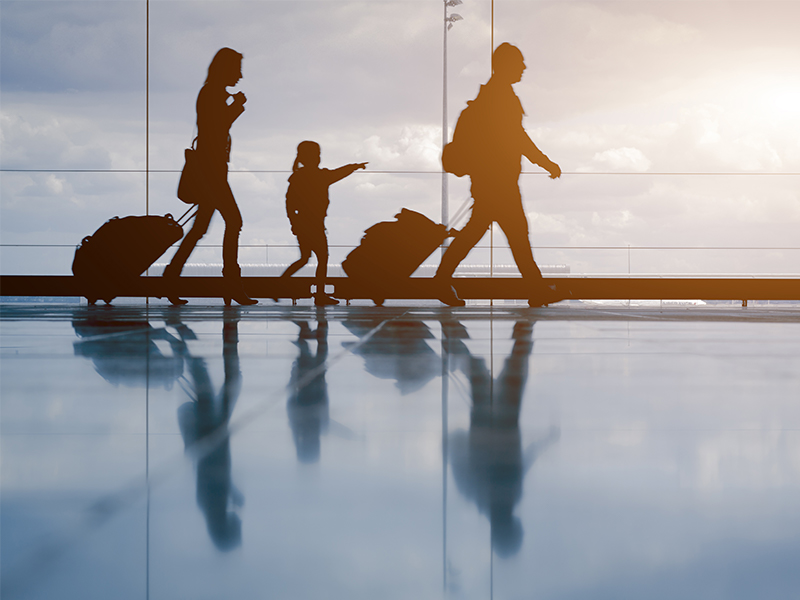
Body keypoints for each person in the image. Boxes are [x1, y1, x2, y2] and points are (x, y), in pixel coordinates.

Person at [436, 43, 562, 308]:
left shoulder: (492, 96)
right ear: (504, 65)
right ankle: (536, 290)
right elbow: (518, 138)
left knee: (484, 233)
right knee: (515, 234)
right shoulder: (501, 97)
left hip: (490, 181)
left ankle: (441, 280)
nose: (524, 67)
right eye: (519, 63)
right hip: (499, 183)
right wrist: (545, 162)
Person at [163, 47, 257, 306]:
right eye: (237, 69)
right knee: (234, 222)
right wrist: (237, 106)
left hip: (212, 171)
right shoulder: (213, 94)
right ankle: (231, 286)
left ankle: (170, 279)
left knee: (199, 229)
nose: (240, 76)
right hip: (212, 172)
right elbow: (216, 129)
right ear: (225, 69)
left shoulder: (211, 93)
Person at [280, 141, 367, 306]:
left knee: (305, 258)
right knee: (322, 258)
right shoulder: (320, 176)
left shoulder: (298, 177)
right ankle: (318, 294)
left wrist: (294, 223)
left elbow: (289, 203)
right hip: (314, 224)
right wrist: (355, 166)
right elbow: (339, 173)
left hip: (303, 224)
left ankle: (281, 284)